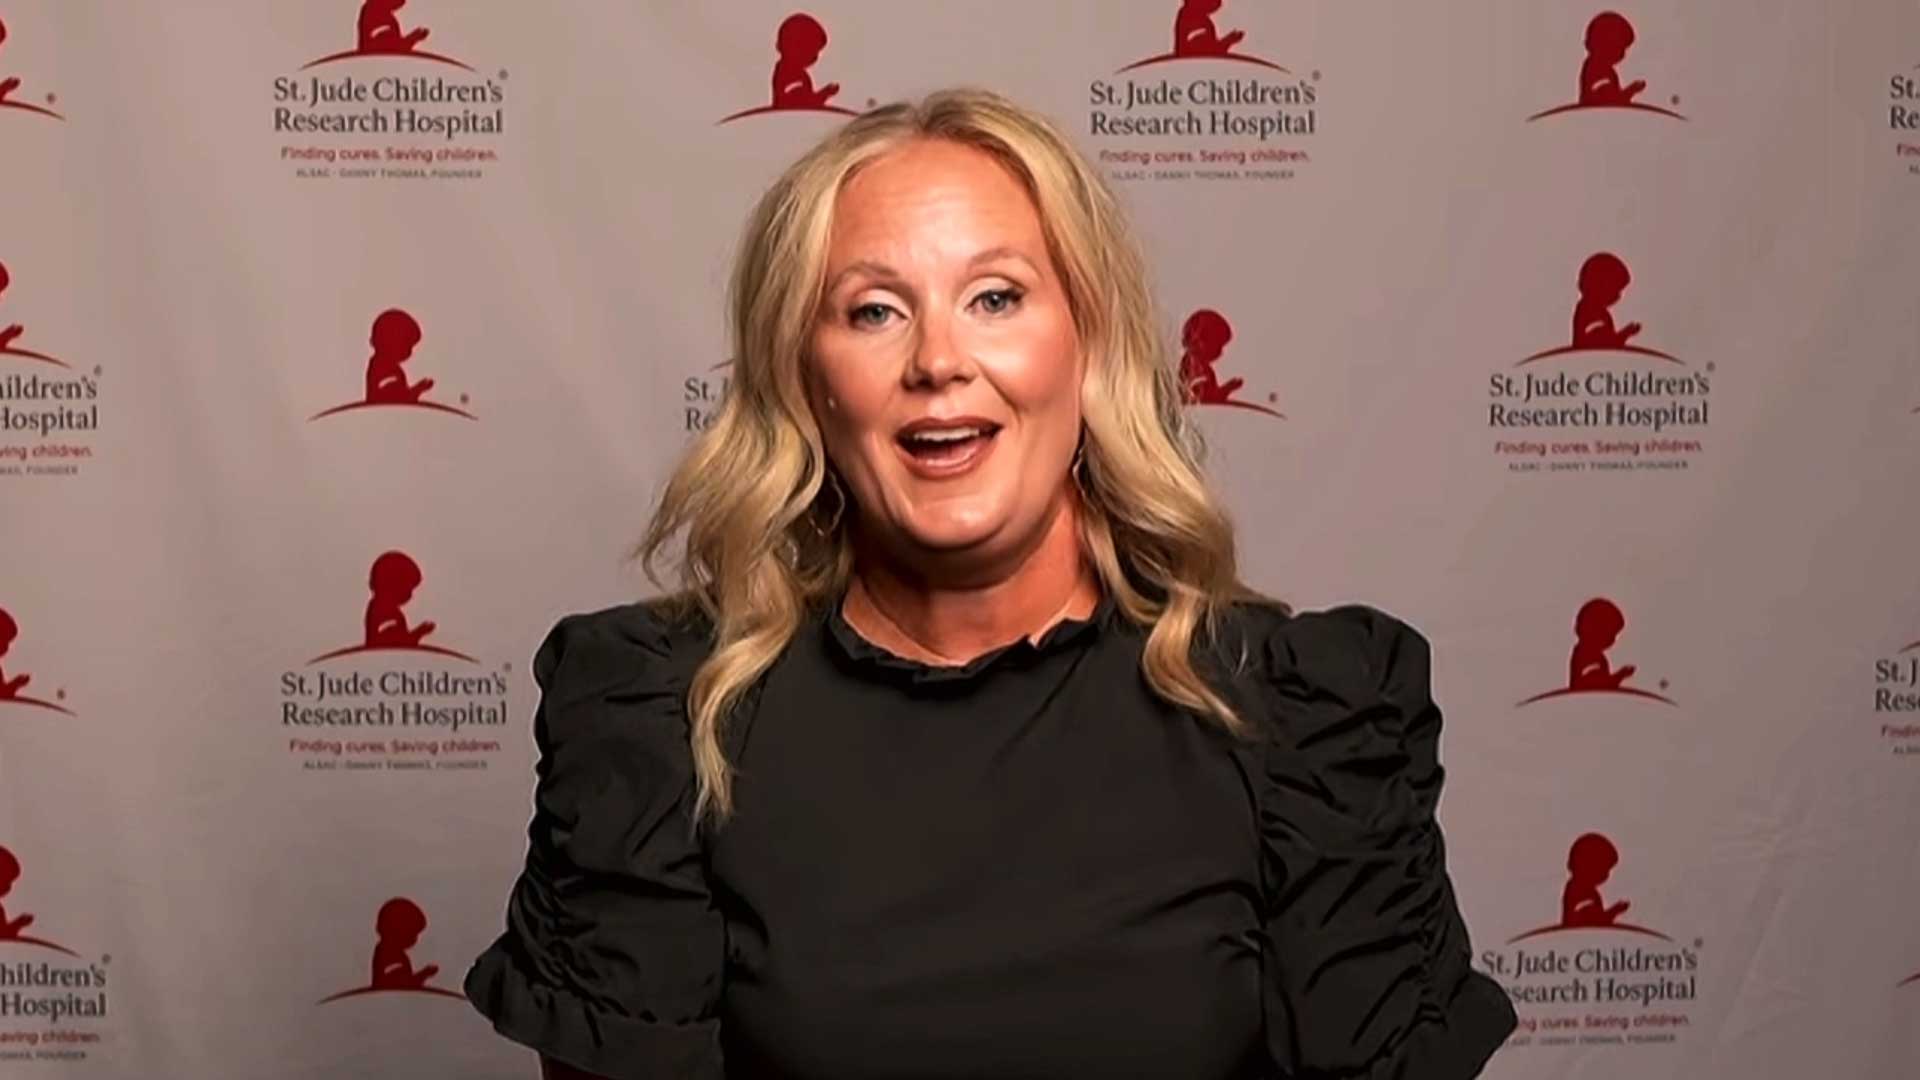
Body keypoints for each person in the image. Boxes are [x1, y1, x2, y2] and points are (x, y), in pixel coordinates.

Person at [465, 87, 1515, 1079]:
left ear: (1088, 342)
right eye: (874, 311)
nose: (938, 360)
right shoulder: (660, 723)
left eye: (996, 298)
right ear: (804, 378)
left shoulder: (1304, 722)